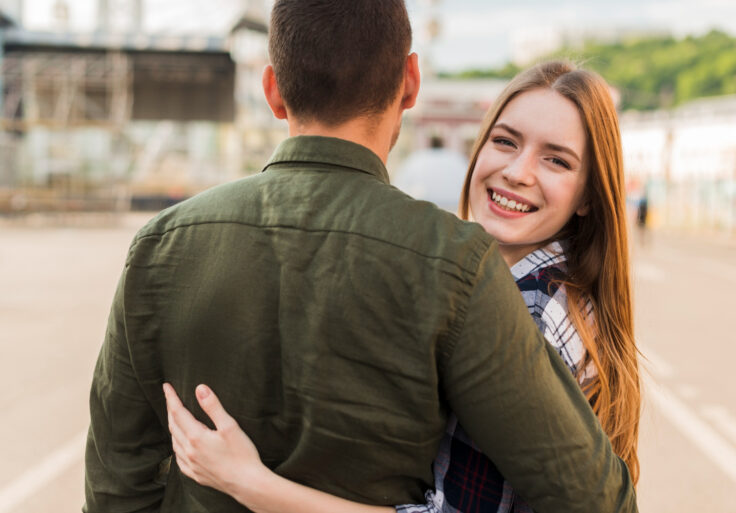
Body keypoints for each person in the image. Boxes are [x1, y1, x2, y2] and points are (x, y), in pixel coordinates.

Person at [84, 1, 637, 511]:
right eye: (506, 141)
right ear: (411, 82)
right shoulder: (456, 265)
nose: (518, 172)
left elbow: (116, 486)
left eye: (557, 161)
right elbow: (597, 500)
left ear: (273, 90)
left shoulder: (160, 244)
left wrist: (253, 483)